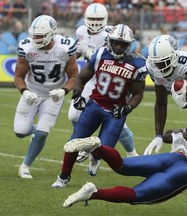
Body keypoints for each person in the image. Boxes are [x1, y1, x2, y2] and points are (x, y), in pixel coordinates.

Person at [61, 117, 187, 207]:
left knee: (122, 166)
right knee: (137, 195)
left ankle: (98, 147)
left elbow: (171, 136)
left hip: (175, 157)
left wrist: (162, 136)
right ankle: (94, 194)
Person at [51, 24, 148, 188]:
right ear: (110, 41)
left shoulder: (137, 64)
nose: (118, 47)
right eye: (116, 42)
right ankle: (63, 177)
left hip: (116, 112)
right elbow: (81, 78)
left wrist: (127, 108)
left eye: (122, 44)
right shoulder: (101, 54)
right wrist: (77, 95)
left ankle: (94, 154)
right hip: (95, 105)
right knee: (73, 142)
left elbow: (138, 94)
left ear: (129, 45)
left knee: (104, 149)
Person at [69, 3, 139, 164]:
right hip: (90, 77)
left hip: (107, 77)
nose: (94, 22)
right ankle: (87, 144)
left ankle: (131, 152)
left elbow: (112, 55)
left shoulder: (111, 32)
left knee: (114, 117)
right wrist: (72, 55)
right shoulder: (80, 31)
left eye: (98, 19)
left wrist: (88, 52)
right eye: (91, 19)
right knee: (74, 114)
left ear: (105, 19)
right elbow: (78, 53)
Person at [14, 15, 79, 179]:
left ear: (52, 34)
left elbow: (73, 76)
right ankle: (34, 134)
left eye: (40, 36)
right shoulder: (26, 47)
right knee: (20, 132)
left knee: (43, 131)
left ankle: (25, 166)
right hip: (32, 92)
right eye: (34, 35)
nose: (35, 39)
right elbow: (19, 76)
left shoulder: (65, 47)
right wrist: (25, 91)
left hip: (53, 95)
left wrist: (63, 91)